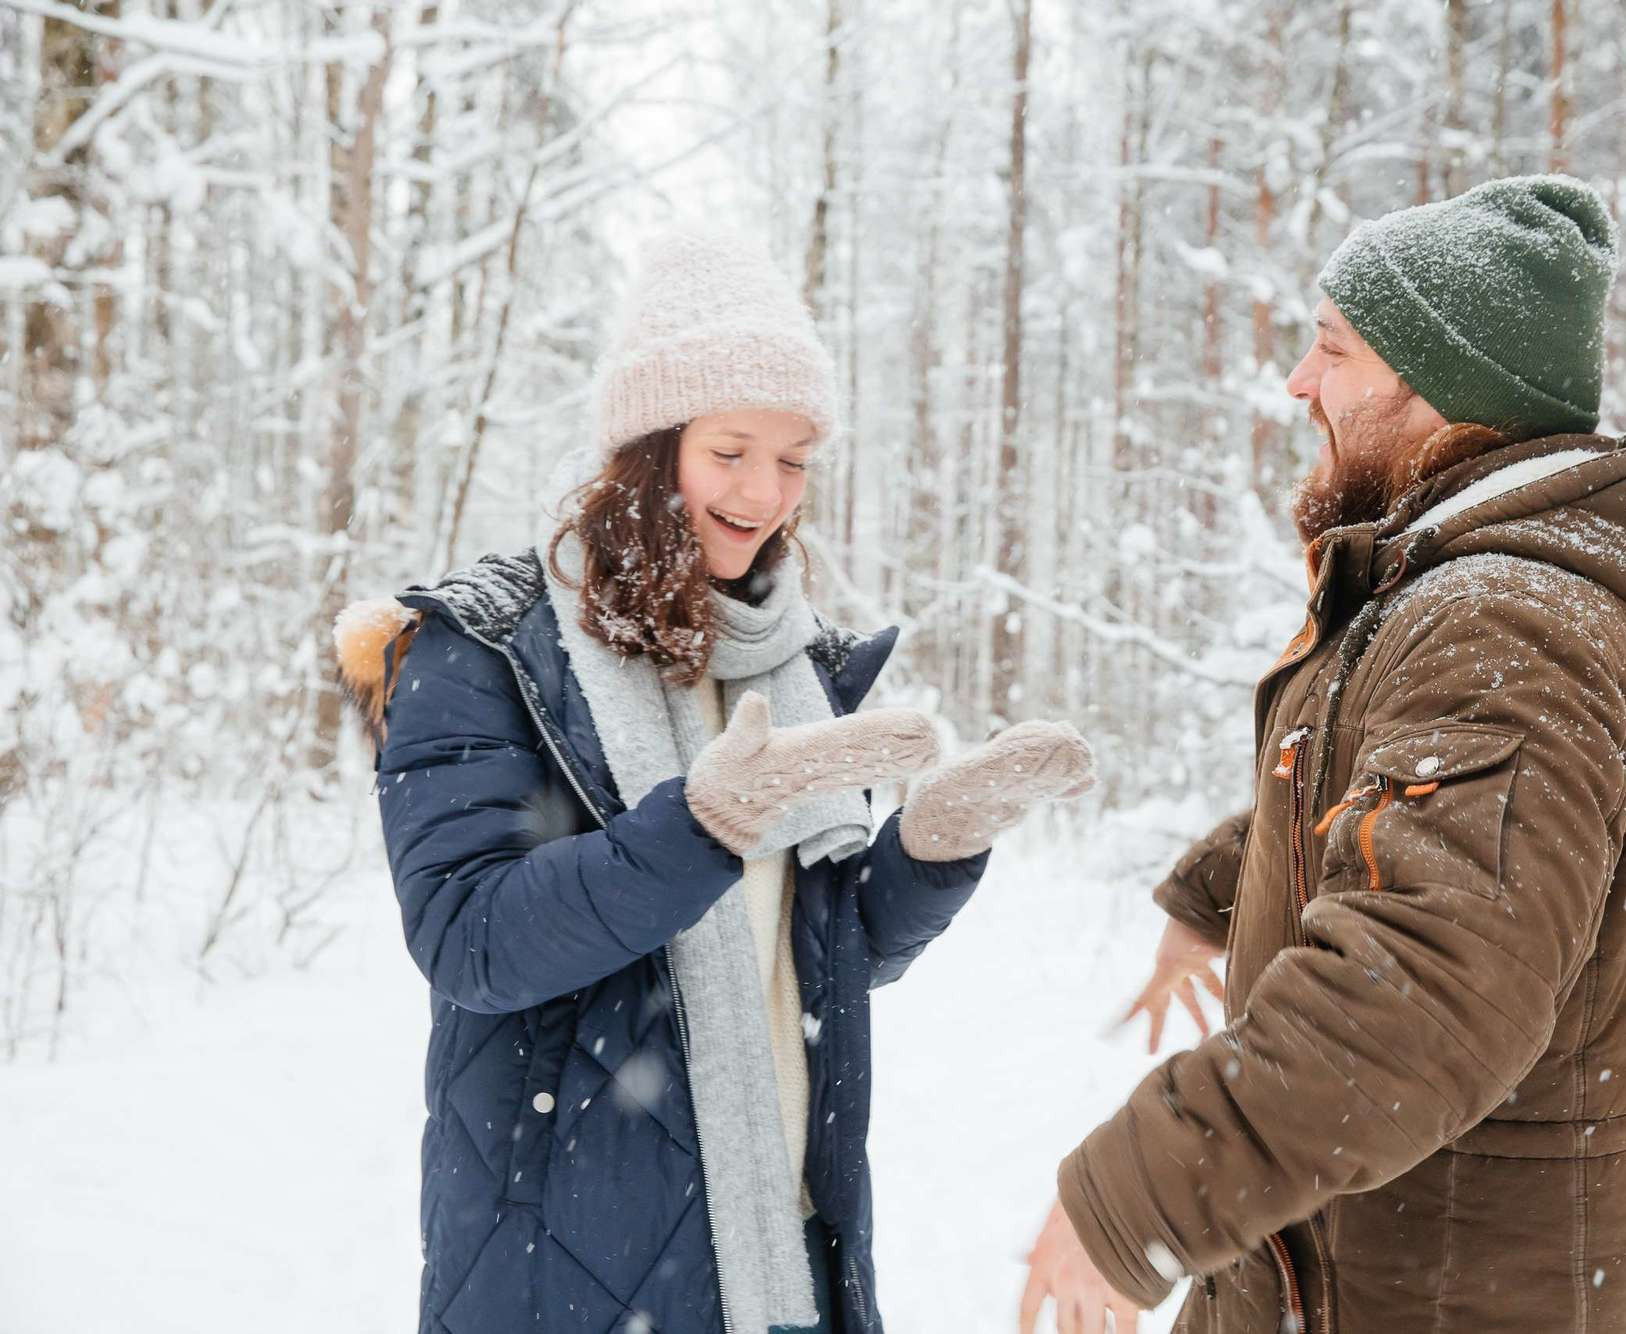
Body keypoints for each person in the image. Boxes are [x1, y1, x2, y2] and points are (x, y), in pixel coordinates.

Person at [334, 228, 1095, 1334]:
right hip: (566, 1265)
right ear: (650, 446)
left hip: (782, 1249)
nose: (763, 492)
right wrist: (696, 825)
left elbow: (819, 960)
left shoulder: (792, 667)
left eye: (792, 459)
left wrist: (933, 846)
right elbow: (472, 938)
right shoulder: (489, 648)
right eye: (731, 449)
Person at [1019, 175, 1626, 1333]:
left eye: (1331, 350)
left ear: (1442, 393)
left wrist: (1136, 1197)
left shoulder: (1507, 620)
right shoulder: (1457, 593)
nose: (1299, 382)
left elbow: (1428, 983)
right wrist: (1215, 894)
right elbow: (1387, 807)